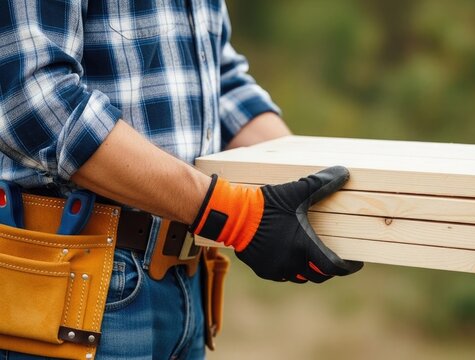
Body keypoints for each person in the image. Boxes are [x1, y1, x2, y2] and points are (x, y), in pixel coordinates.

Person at [0, 1, 362, 359]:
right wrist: (235, 216)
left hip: (187, 277)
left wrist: (331, 188)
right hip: (80, 277)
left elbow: (220, 82)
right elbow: (33, 101)